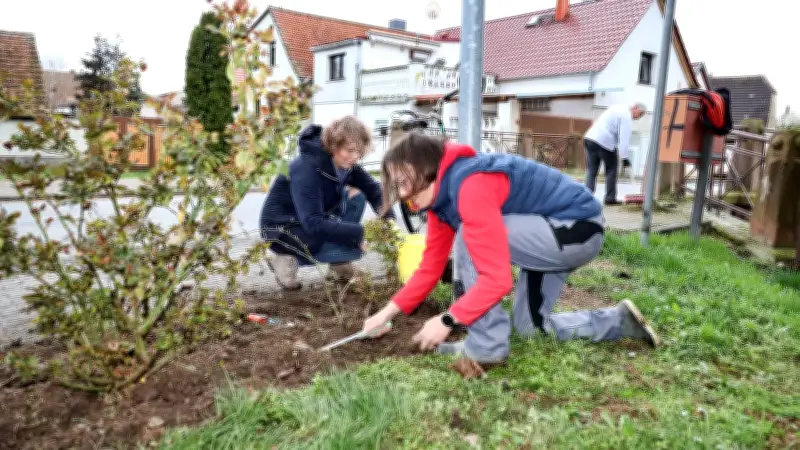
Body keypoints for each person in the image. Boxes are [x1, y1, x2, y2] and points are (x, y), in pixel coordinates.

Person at [362, 133, 659, 366]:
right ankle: (619, 321)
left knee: (469, 234)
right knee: (530, 329)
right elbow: (429, 268)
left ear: (426, 168)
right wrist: (385, 314)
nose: (401, 194)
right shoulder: (440, 202)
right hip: (545, 237)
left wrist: (447, 319)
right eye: (395, 185)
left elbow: (497, 280)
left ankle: (486, 347)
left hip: (575, 230)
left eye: (403, 182)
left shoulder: (470, 185)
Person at [259, 116, 393, 290]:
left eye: (359, 152)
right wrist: (361, 233)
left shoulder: (345, 164)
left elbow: (373, 189)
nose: (355, 157)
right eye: (350, 150)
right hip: (282, 230)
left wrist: (388, 218)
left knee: (357, 197)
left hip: (306, 220)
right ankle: (285, 258)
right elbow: (314, 224)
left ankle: (339, 263)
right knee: (319, 238)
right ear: (334, 145)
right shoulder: (307, 168)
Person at [583, 102, 646, 205]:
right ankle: (610, 199)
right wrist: (625, 157)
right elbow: (624, 139)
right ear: (635, 108)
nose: (639, 118)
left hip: (590, 138)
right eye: (640, 114)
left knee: (591, 171)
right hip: (604, 141)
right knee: (612, 169)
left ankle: (586, 198)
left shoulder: (617, 108)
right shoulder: (626, 116)